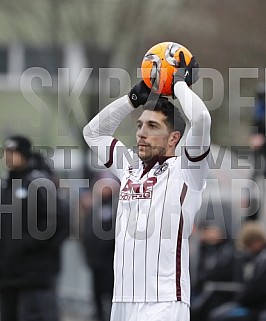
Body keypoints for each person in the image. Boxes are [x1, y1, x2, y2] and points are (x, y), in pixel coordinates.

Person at [83, 52, 211, 321]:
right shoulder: (129, 166)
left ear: (174, 137)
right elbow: (92, 133)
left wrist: (177, 83)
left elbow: (201, 119)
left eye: (153, 126)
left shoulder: (187, 171)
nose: (141, 132)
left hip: (163, 302)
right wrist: (133, 98)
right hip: (122, 300)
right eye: (140, 125)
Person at [0, 135, 69, 321]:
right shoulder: (7, 184)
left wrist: (28, 245)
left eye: (14, 152)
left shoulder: (39, 183)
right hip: (8, 274)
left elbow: (57, 223)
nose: (9, 157)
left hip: (35, 275)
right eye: (7, 152)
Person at [80, 172, 119, 321]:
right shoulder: (93, 206)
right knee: (96, 290)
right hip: (95, 260)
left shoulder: (118, 206)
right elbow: (86, 231)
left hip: (111, 260)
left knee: (111, 291)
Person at [207, 221, 266, 321]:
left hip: (256, 308)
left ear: (256, 243)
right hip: (252, 305)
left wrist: (239, 300)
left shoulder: (261, 261)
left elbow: (255, 290)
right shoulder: (258, 260)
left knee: (218, 316)